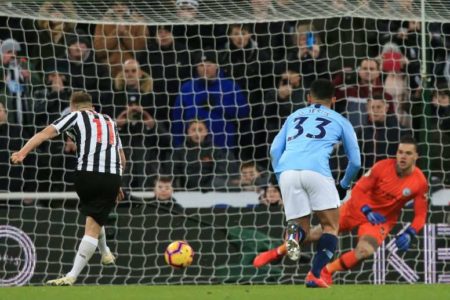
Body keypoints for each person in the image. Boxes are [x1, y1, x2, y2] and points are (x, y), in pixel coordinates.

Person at [254, 136, 428, 287]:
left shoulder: (419, 182)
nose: (402, 157)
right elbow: (359, 189)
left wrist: (411, 233)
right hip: (356, 208)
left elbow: (420, 215)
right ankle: (276, 252)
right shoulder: (382, 167)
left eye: (408, 153)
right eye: (400, 152)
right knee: (314, 235)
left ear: (416, 156)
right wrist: (366, 210)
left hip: (380, 220)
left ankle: (326, 271)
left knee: (364, 251)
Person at [10, 91, 126, 286]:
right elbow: (122, 158)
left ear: (73, 106)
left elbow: (44, 134)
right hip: (113, 176)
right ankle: (105, 252)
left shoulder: (74, 116)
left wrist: (22, 153)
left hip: (87, 175)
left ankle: (72, 275)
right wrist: (117, 184)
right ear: (93, 107)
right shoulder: (109, 121)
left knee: (92, 223)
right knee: (95, 215)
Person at [270, 78, 361, 287]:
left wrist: (280, 177)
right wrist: (344, 185)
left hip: (288, 172)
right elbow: (355, 162)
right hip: (317, 171)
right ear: (334, 100)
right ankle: (315, 274)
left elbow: (274, 150)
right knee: (330, 226)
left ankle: (293, 236)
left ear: (308, 98)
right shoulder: (340, 120)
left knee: (301, 227)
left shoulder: (294, 116)